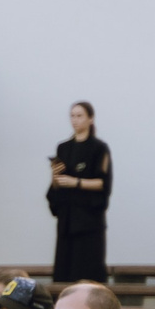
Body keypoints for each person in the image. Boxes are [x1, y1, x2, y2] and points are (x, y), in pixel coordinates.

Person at [46, 102, 112, 283]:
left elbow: (103, 183)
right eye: (72, 116)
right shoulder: (63, 148)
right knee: (64, 272)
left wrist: (76, 182)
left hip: (89, 221)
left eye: (79, 116)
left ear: (90, 119)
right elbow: (55, 186)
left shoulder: (99, 148)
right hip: (67, 220)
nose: (75, 120)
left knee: (87, 271)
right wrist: (56, 177)